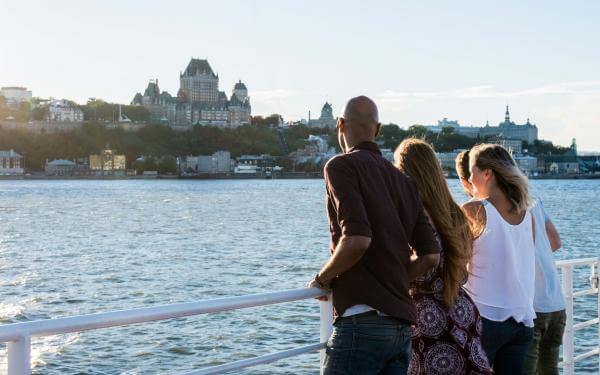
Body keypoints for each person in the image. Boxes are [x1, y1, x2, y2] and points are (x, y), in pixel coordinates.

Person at [307, 96, 441, 374]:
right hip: (400, 328)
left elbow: (357, 239)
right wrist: (390, 282)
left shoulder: (340, 166)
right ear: (377, 130)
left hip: (360, 324)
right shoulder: (404, 181)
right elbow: (430, 256)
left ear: (340, 125)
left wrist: (323, 279)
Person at [394, 138, 491, 375]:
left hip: (426, 320)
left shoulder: (411, 214)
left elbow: (421, 262)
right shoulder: (456, 214)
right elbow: (461, 271)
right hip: (460, 311)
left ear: (404, 172)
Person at [462, 144, 536, 374]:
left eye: (472, 170)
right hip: (521, 319)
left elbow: (458, 263)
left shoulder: (474, 209)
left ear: (487, 173)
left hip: (485, 317)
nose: (468, 178)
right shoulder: (527, 214)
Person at [523, 198, 565, 375]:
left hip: (532, 306)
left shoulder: (492, 205)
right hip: (556, 304)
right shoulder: (534, 202)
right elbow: (555, 242)